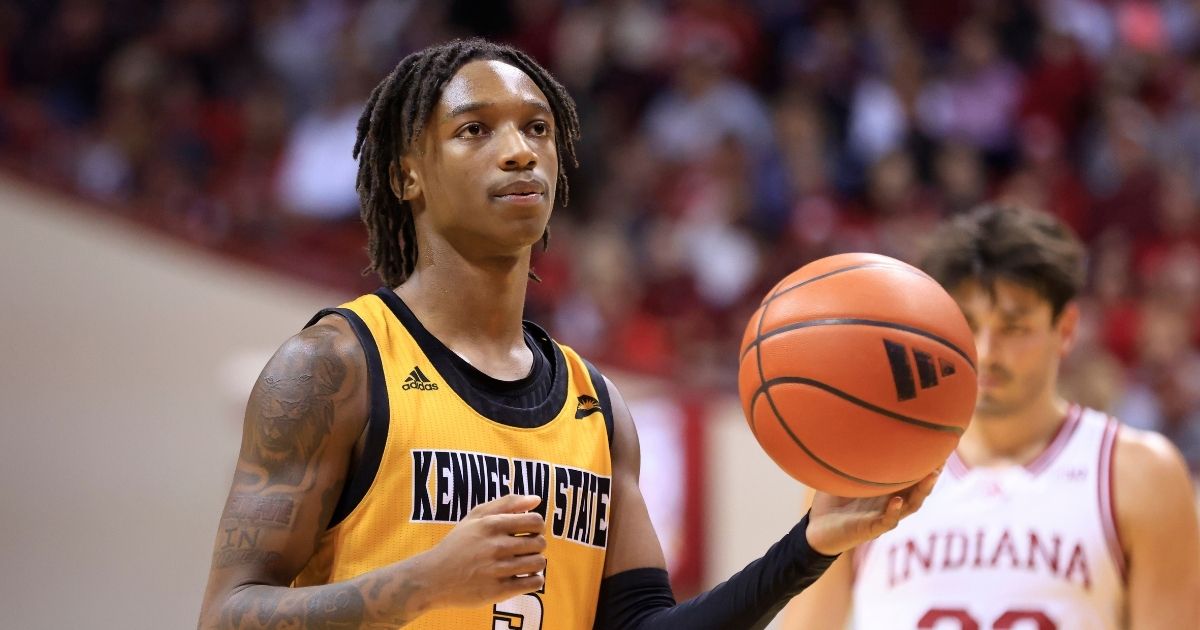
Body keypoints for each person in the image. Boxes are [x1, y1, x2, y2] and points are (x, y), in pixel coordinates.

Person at [196, 38, 939, 630]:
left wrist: (808, 544)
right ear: (406, 178)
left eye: (538, 128)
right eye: (474, 129)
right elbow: (226, 615)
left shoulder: (596, 405)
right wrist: (417, 585)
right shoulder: (335, 369)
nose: (519, 150)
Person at [783, 205, 1200, 630]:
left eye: (1013, 328)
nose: (984, 351)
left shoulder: (1139, 475)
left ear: (1067, 328)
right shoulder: (864, 469)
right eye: (965, 324)